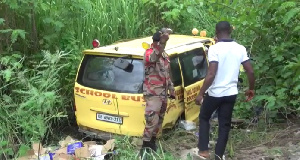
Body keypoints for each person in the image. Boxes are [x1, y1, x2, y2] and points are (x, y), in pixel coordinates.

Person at [195, 21, 255, 160]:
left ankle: (203, 151)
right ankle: (219, 155)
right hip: (231, 94)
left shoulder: (214, 49)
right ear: (230, 31)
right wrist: (251, 89)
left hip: (215, 93)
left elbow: (211, 74)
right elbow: (250, 72)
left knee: (204, 117)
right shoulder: (240, 48)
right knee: (224, 124)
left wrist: (201, 93)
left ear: (216, 32)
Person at [140, 28, 175, 157]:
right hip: (153, 93)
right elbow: (154, 57)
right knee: (151, 120)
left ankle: (152, 143)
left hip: (162, 93)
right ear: (155, 43)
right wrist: (162, 43)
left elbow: (166, 74)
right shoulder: (149, 53)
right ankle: (145, 146)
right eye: (159, 43)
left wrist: (171, 88)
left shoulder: (165, 55)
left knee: (159, 120)